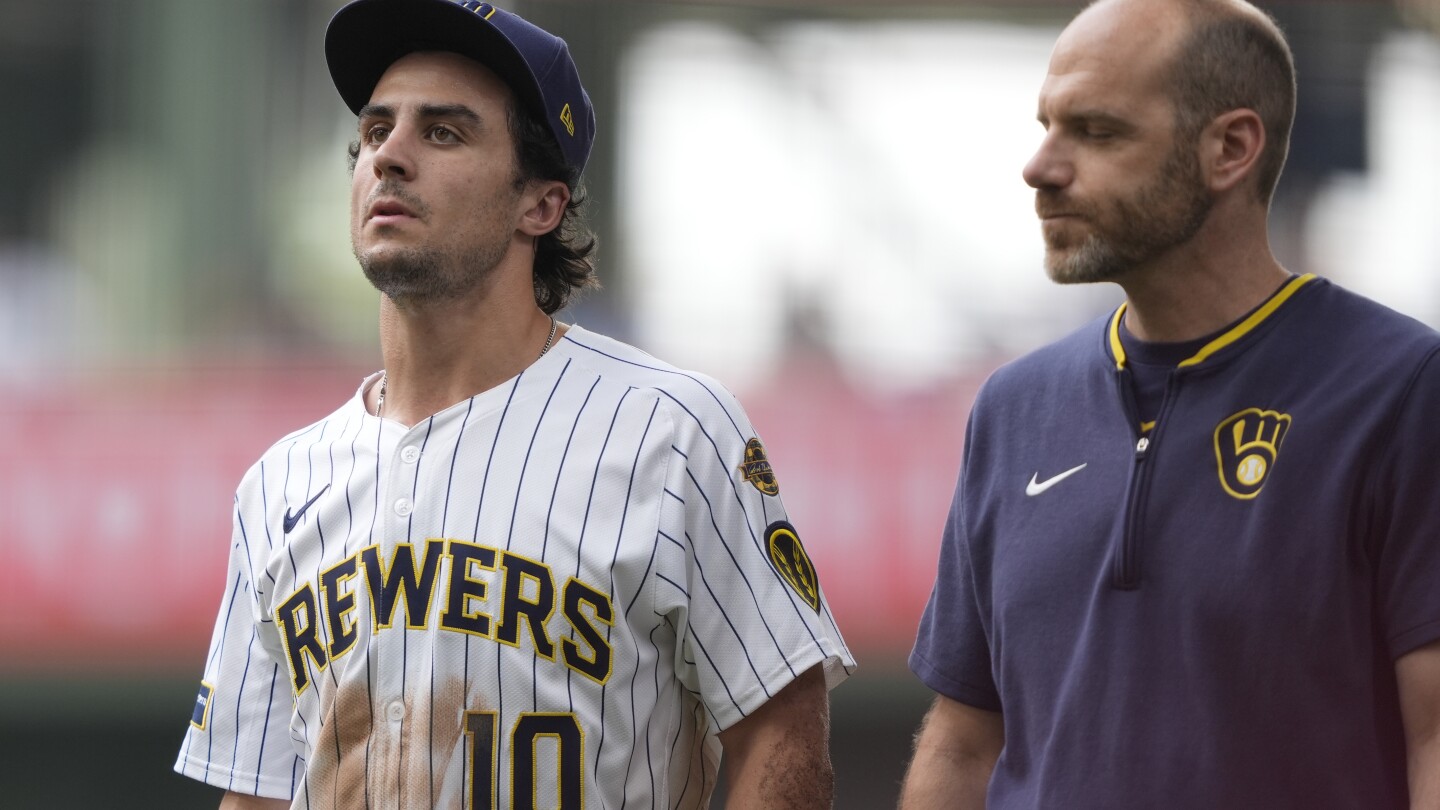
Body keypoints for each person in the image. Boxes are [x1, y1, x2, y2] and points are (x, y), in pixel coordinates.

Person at [173, 1, 854, 807]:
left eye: (443, 132)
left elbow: (784, 734)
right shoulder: (278, 484)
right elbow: (253, 794)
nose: (389, 157)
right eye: (376, 130)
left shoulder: (671, 432)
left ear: (541, 204)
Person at [901, 0, 1440, 807]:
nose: (1040, 166)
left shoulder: (1401, 390)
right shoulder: (1014, 408)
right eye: (1048, 126)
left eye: (1097, 131)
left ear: (1230, 148)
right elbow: (962, 742)